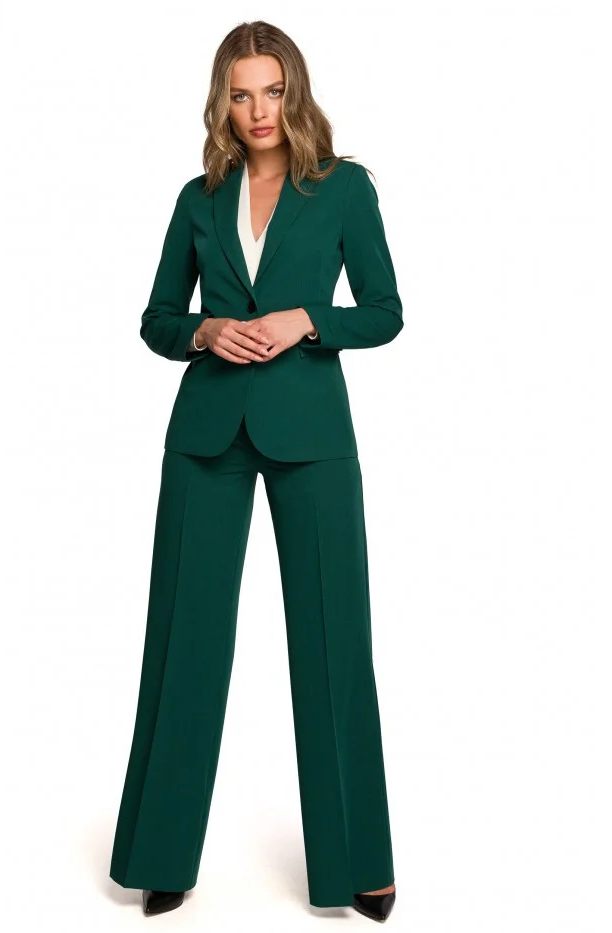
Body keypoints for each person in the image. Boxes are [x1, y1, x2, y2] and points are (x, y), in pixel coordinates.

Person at [109, 20, 403, 923]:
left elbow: (385, 310)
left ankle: (358, 859)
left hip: (311, 433)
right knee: (183, 641)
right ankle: (160, 853)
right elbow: (158, 318)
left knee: (334, 641)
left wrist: (307, 319)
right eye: (240, 94)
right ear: (222, 103)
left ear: (294, 92)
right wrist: (202, 330)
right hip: (206, 434)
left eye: (271, 91)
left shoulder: (344, 187)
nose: (258, 110)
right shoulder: (199, 197)